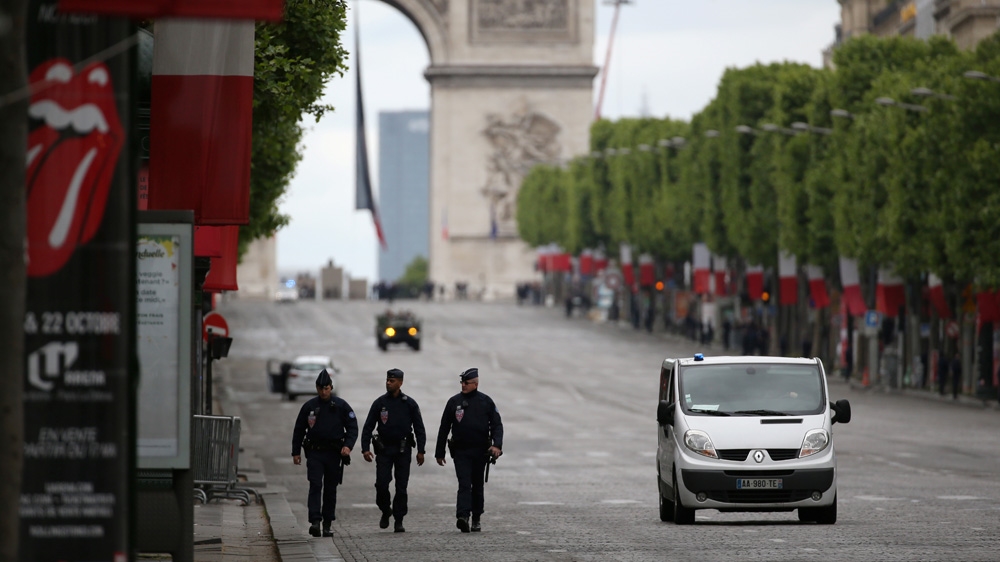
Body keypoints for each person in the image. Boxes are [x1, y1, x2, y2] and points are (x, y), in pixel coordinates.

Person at [291, 369, 358, 538]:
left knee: (330, 489)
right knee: (315, 485)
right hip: (315, 453)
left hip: (334, 454)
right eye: (321, 388)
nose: (323, 391)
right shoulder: (310, 406)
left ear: (331, 387)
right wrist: (296, 452)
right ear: (316, 388)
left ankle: (327, 523)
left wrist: (348, 446)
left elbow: (352, 427)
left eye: (326, 388)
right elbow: (299, 429)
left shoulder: (341, 406)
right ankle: (315, 521)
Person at [435, 368, 504, 533]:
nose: (463, 386)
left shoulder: (486, 402)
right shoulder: (454, 402)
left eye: (466, 383)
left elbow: (497, 425)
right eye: (462, 383)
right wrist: (439, 452)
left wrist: (497, 445)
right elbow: (444, 427)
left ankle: (477, 517)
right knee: (464, 483)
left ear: (476, 384)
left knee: (478, 485)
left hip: (480, 451)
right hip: (461, 451)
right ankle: (463, 516)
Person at [361, 368, 427, 533]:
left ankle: (399, 519)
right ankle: (385, 510)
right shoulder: (380, 403)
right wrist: (365, 449)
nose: (388, 383)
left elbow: (419, 428)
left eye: (392, 381)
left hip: (403, 450)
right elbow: (368, 426)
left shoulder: (409, 403)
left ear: (400, 382)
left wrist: (421, 450)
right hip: (384, 450)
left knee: (401, 486)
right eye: (387, 380)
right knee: (382, 484)